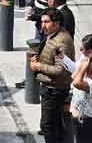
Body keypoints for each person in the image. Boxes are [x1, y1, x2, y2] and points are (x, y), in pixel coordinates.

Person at [30, 9, 75, 143]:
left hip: (55, 89)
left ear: (57, 23)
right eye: (42, 21)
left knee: (48, 125)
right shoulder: (52, 34)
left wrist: (39, 67)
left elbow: (60, 70)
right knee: (53, 125)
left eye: (46, 22)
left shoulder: (62, 41)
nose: (43, 25)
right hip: (49, 87)